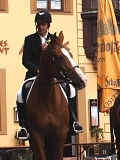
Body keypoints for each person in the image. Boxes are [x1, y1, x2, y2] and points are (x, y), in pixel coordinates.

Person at [16, 10, 83, 140]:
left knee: (71, 90)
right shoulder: (29, 39)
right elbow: (26, 60)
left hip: (53, 75)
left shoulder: (54, 40)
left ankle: (73, 120)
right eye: (39, 24)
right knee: (20, 93)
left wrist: (48, 49)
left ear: (48, 25)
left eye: (44, 24)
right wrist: (37, 70)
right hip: (34, 74)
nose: (41, 27)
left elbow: (63, 57)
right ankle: (23, 126)